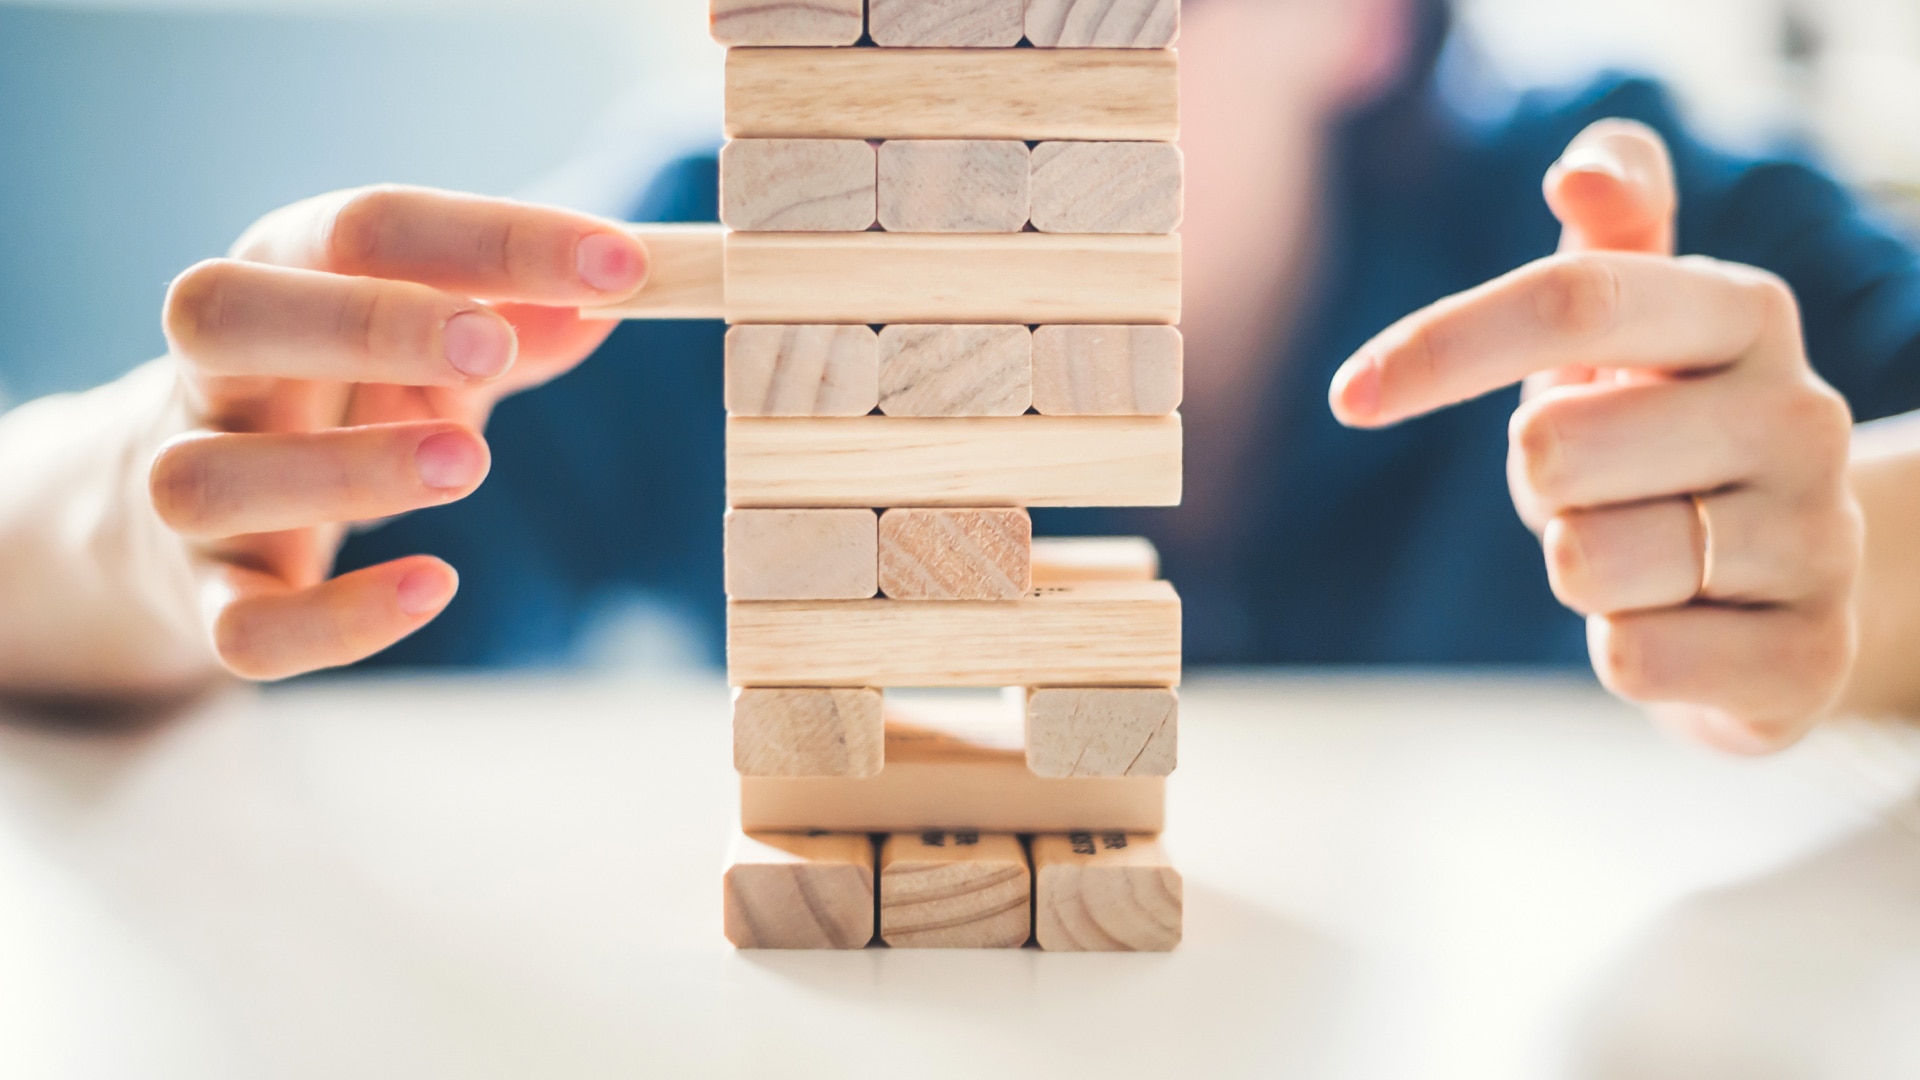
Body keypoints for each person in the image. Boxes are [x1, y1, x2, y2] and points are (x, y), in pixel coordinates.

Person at [2, 0, 1918, 756]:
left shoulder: (1655, 228)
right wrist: (144, 500)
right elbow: (75, 563)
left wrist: (1850, 558)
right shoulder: (666, 275)